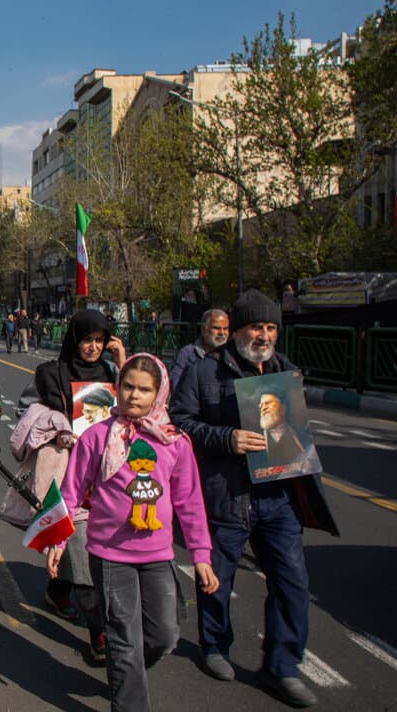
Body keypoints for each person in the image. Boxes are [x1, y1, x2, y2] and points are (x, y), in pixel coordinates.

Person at [169, 289, 338, 709]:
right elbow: (180, 422)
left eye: (269, 328)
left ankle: (281, 666)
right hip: (227, 496)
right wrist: (226, 438)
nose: (262, 335)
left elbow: (290, 433)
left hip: (279, 496)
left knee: (292, 582)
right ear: (237, 331)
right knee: (217, 579)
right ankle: (214, 646)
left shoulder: (285, 372)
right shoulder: (205, 372)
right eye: (254, 327)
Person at [50, 353, 218, 712]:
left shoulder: (174, 443)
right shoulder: (96, 437)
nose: (134, 396)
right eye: (127, 386)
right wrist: (58, 539)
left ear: (159, 394)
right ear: (117, 388)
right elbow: (71, 491)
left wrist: (201, 555)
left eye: (144, 389)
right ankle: (128, 699)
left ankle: (125, 674)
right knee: (124, 639)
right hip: (110, 556)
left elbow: (190, 502)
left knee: (163, 636)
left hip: (158, 556)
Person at [16, 308, 126, 660]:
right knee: (80, 553)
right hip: (68, 475)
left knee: (91, 552)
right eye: (87, 340)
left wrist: (122, 362)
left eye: (100, 341)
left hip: (105, 477)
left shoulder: (111, 373)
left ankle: (57, 589)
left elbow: (133, 407)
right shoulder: (50, 373)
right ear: (74, 339)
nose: (93, 347)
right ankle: (99, 634)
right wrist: (57, 431)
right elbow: (27, 413)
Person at [168, 309, 229, 391]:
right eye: (216, 328)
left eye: (225, 329)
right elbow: (176, 385)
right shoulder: (187, 354)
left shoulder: (231, 356)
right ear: (203, 329)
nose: (222, 333)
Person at [258, 391, 307, 467]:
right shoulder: (256, 439)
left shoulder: (302, 436)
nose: (263, 408)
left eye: (268, 403)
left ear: (283, 408)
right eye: (261, 406)